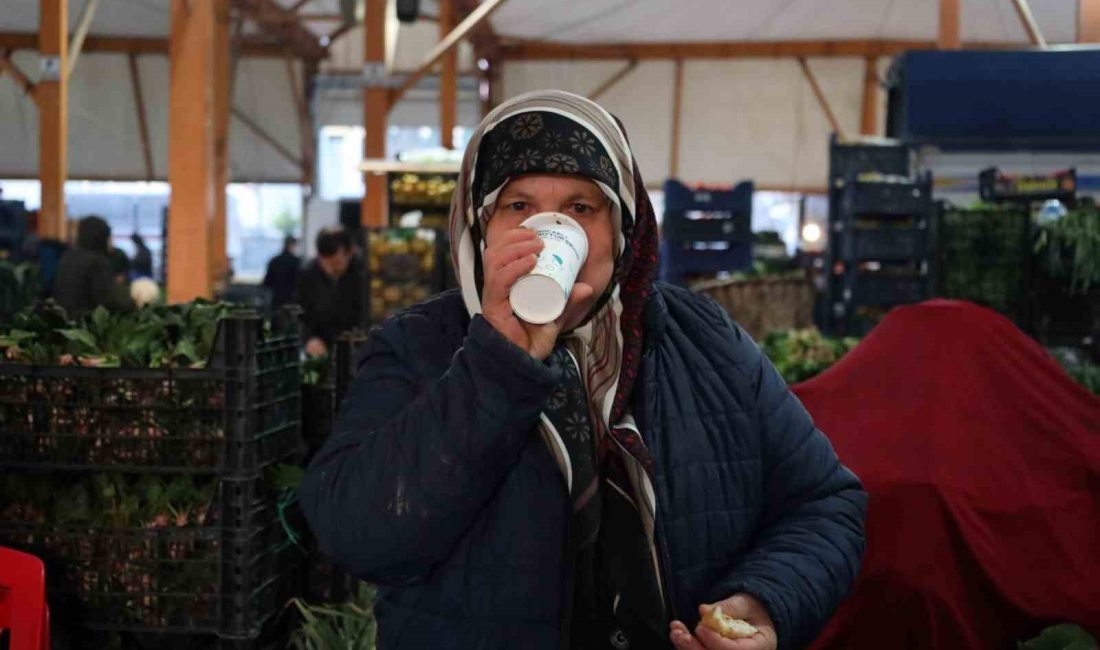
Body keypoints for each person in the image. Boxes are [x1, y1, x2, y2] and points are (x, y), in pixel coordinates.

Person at [299, 91, 866, 650]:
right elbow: (357, 535)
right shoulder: (417, 346)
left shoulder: (704, 339)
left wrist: (762, 603)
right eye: (519, 206)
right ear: (481, 229)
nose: (548, 230)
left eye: (580, 208)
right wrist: (497, 362)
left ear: (621, 229)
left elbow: (824, 504)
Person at [296, 228, 362, 357]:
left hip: (357, 349)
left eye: (336, 262)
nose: (330, 269)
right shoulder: (308, 273)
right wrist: (308, 338)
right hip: (321, 350)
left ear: (350, 252)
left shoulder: (363, 273)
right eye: (324, 263)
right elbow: (300, 314)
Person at [53, 215, 134, 318]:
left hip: (64, 323)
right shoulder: (97, 262)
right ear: (102, 237)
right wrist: (134, 303)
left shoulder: (68, 256)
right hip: (85, 326)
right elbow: (108, 301)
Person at [263, 235, 301, 309]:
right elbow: (300, 283)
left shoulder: (274, 261)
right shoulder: (297, 262)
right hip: (292, 302)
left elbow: (267, 282)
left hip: (277, 301)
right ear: (292, 245)